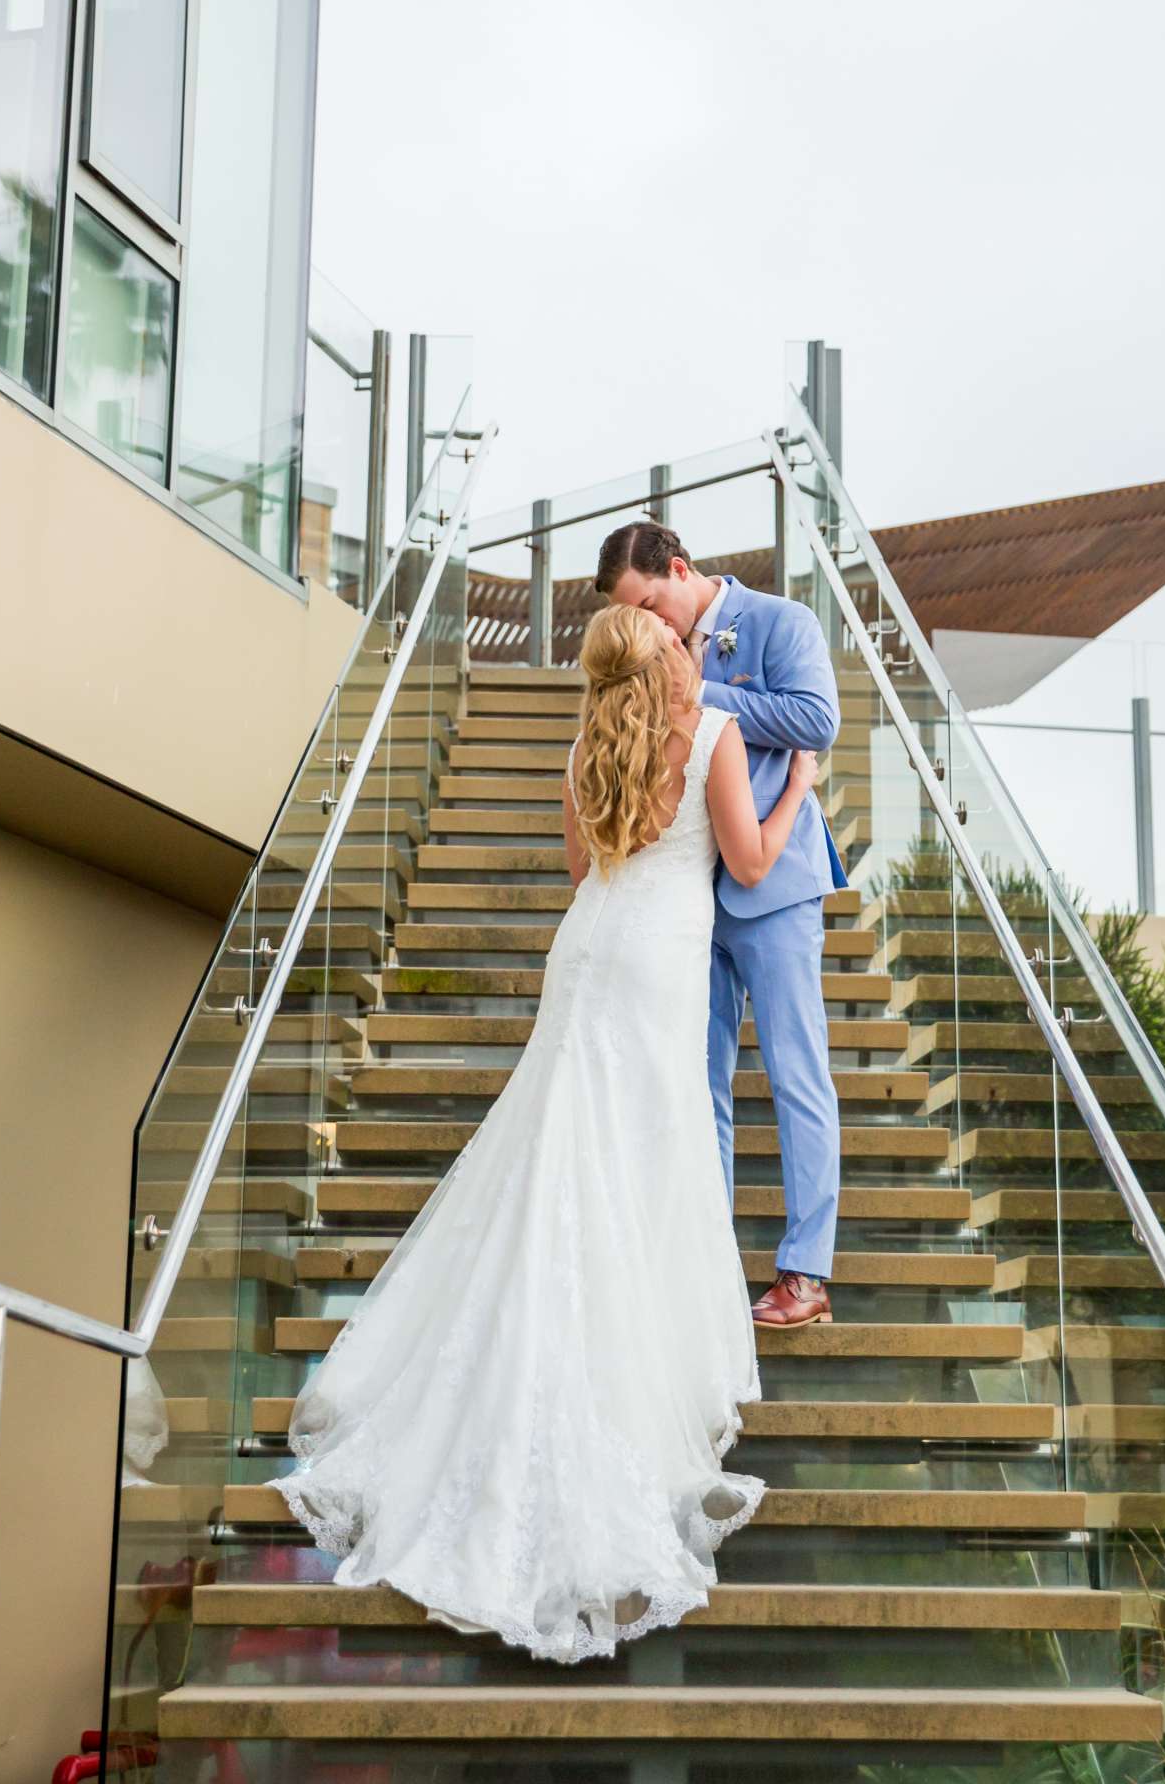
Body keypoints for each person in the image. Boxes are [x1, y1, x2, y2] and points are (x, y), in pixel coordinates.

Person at [275, 603, 820, 1662]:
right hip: (661, 960)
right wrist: (795, 783)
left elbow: (581, 868)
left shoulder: (584, 744)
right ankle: (643, 1340)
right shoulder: (712, 735)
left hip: (587, 952)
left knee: (560, 1143)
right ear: (665, 659)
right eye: (674, 643)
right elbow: (750, 866)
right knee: (647, 1146)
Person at [597, 521, 844, 1328]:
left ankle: (804, 1274)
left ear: (679, 568)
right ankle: (703, 1266)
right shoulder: (655, 647)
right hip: (686, 900)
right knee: (699, 1085)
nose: (655, 628)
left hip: (773, 889)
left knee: (794, 1075)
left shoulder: (781, 622)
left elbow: (816, 721)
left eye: (652, 604)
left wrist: (701, 695)